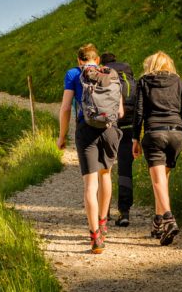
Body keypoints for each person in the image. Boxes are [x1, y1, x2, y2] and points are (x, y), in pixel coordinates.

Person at [57, 44, 123, 254]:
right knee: (106, 176)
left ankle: (95, 236)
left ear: (80, 60)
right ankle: (103, 223)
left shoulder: (73, 74)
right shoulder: (110, 73)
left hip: (86, 129)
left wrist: (61, 137)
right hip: (110, 129)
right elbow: (120, 111)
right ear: (97, 59)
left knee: (89, 184)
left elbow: (66, 107)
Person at [132, 51, 182, 246]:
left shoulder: (144, 82)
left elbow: (139, 112)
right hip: (176, 133)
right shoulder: (179, 82)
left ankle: (168, 219)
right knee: (163, 180)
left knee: (157, 180)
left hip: (155, 133)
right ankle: (158, 222)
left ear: (150, 65)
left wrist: (135, 138)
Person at [101, 52, 137, 227]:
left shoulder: (102, 73)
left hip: (109, 126)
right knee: (125, 170)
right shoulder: (128, 74)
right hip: (128, 126)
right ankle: (124, 212)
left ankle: (104, 212)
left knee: (104, 168)